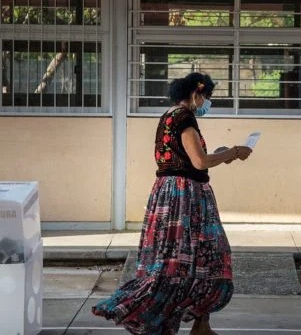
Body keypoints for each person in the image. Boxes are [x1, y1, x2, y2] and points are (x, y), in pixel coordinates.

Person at [92, 72, 252, 334]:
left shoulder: (168, 117)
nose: (207, 103)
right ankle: (169, 317)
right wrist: (233, 152)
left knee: (177, 260)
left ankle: (199, 324)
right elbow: (199, 162)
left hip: (170, 194)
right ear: (195, 94)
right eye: (207, 97)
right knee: (204, 257)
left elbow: (190, 158)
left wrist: (221, 155)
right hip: (185, 198)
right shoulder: (184, 118)